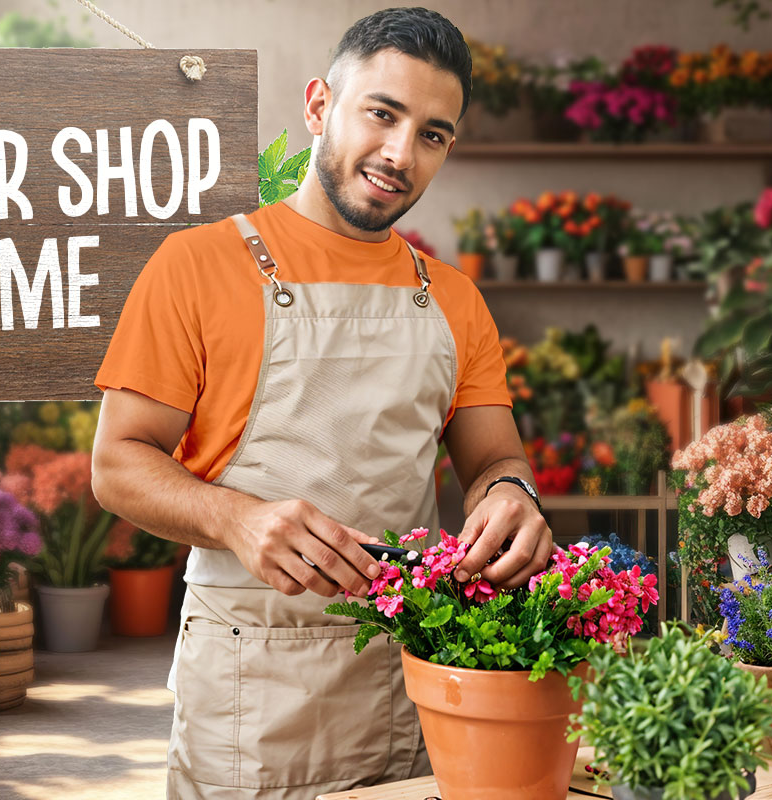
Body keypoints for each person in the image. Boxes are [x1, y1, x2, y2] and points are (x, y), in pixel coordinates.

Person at [91, 7, 552, 798]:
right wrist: (238, 518)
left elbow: (494, 459)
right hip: (247, 689)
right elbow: (118, 464)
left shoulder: (453, 300)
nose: (400, 154)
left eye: (434, 134)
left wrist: (511, 492)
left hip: (406, 678)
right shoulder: (196, 266)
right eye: (382, 113)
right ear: (317, 106)